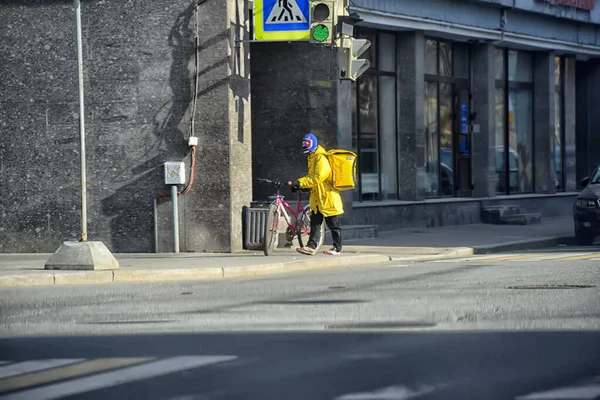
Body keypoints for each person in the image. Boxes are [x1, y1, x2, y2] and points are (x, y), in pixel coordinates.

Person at [288, 133, 344, 256]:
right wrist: (301, 186)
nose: (307, 153)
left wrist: (301, 182)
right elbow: (314, 179)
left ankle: (337, 248)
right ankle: (311, 247)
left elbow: (318, 177)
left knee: (333, 224)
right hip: (319, 197)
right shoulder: (312, 157)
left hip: (328, 197)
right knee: (315, 222)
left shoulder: (321, 158)